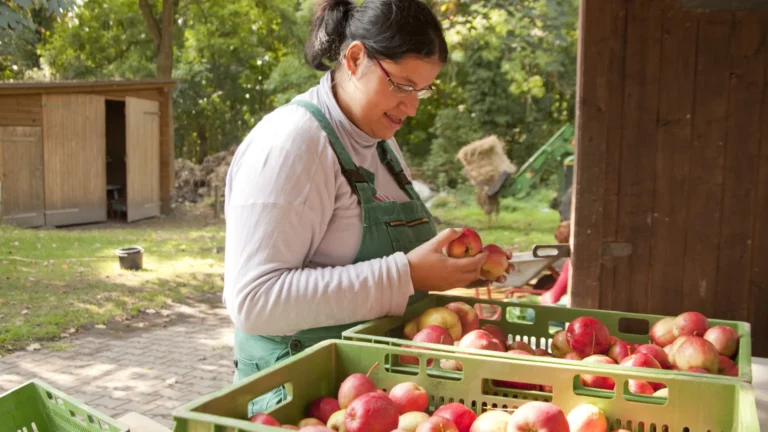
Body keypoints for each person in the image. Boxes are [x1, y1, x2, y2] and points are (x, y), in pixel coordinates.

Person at [222, 0, 512, 414]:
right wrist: (406, 275)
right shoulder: (291, 145)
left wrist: (452, 265)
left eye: (422, 90)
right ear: (355, 59)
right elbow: (254, 302)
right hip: (301, 403)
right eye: (402, 86)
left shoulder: (378, 141)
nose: (412, 107)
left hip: (377, 398)